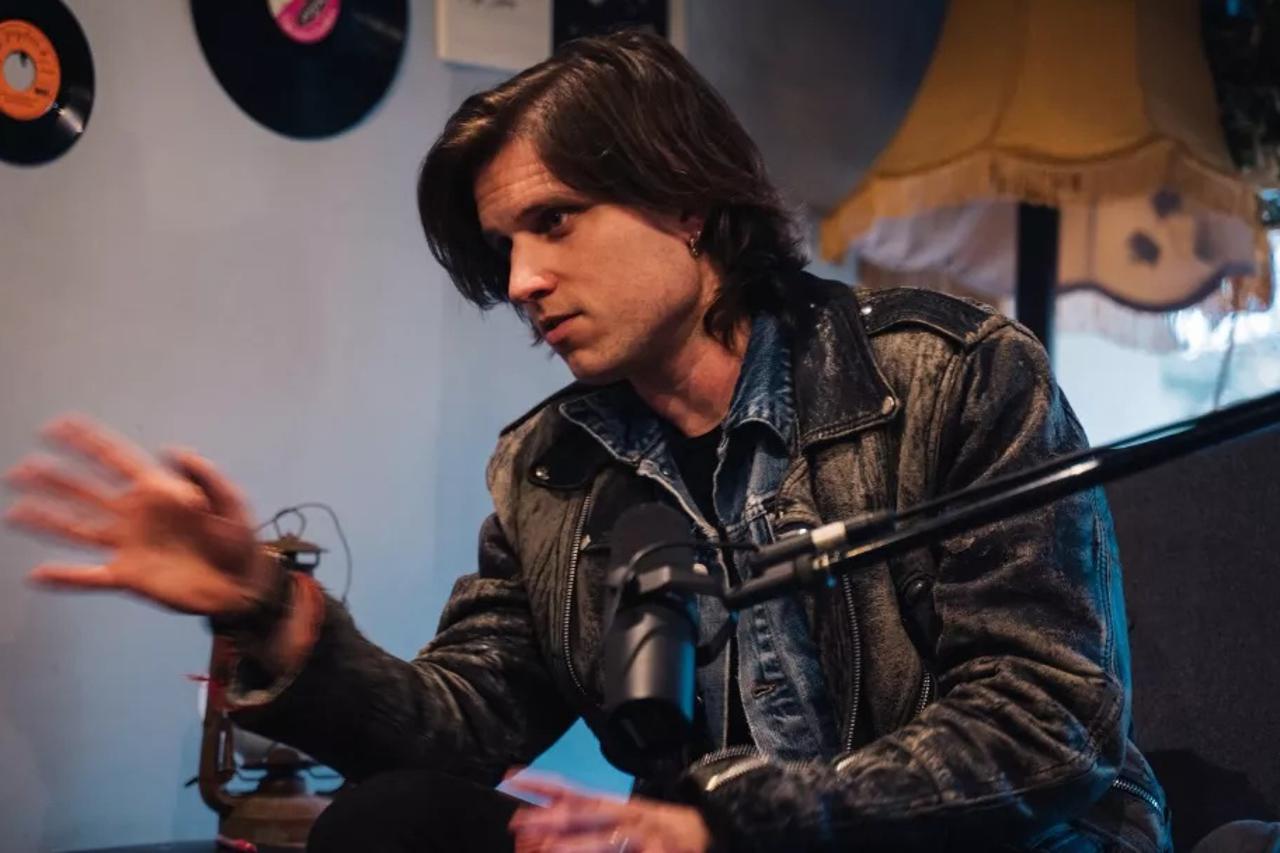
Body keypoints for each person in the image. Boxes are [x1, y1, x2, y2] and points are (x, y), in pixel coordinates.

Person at [5, 29, 1171, 853]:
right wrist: (269, 608)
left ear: (684, 202)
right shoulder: (547, 470)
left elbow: (1043, 725)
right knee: (391, 822)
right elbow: (456, 732)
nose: (520, 280)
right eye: (502, 247)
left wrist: (731, 821)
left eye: (552, 222)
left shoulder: (950, 376)